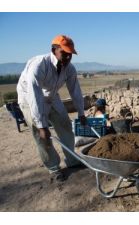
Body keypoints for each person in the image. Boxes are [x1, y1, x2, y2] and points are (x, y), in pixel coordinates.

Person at [17, 35, 87, 182]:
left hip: (51, 95)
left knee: (65, 126)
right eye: (64, 53)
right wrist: (42, 126)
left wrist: (81, 113)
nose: (68, 57)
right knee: (42, 137)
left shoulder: (69, 68)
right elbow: (34, 96)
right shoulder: (39, 65)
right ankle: (54, 167)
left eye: (70, 54)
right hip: (28, 98)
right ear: (54, 50)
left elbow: (75, 90)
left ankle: (72, 160)